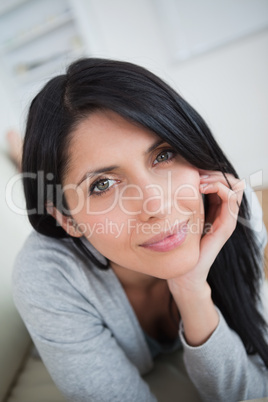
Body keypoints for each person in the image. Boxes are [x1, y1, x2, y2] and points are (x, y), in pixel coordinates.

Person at [12, 58, 268, 402]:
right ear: (67, 219)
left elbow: (252, 390)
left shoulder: (232, 208)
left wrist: (191, 290)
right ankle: (19, 150)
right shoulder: (47, 274)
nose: (158, 207)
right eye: (103, 184)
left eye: (164, 155)